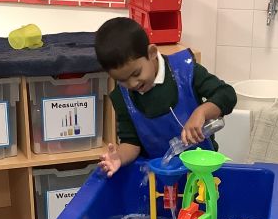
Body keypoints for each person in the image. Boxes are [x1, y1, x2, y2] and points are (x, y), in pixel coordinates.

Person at [94, 17, 237, 177]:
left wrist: (201, 112)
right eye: (122, 80)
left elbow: (226, 95)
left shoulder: (185, 71)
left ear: (151, 53)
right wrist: (119, 158)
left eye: (136, 73)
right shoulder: (122, 96)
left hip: (202, 171)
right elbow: (131, 142)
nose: (132, 84)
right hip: (159, 175)